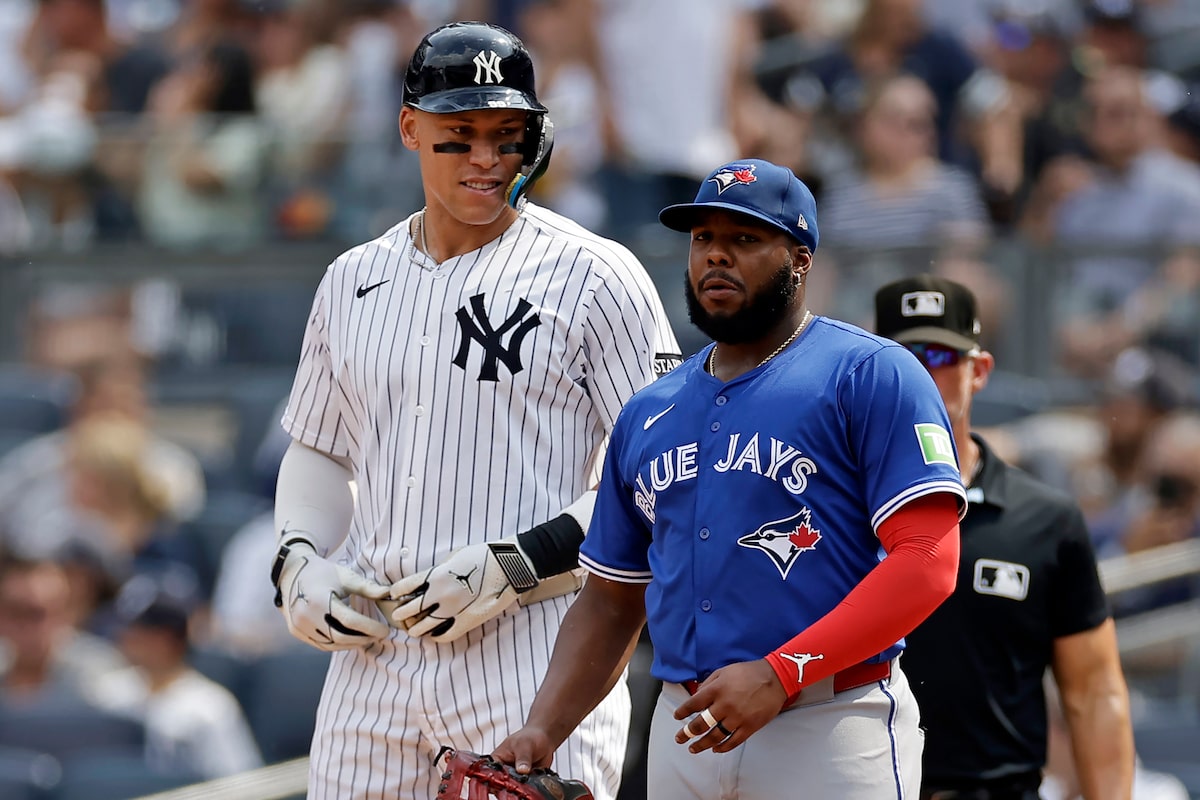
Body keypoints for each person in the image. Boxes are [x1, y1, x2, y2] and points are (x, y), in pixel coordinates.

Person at [268, 21, 681, 800]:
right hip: (376, 652)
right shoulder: (353, 278)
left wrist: (518, 563)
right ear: (409, 129)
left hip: (534, 650)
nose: (487, 158)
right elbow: (321, 447)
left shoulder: (596, 275)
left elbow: (668, 477)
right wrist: (296, 561)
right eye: (460, 136)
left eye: (507, 134)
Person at [494, 157, 968, 799]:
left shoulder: (869, 373)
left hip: (829, 721)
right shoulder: (648, 411)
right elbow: (610, 600)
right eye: (703, 239)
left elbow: (928, 558)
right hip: (684, 726)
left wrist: (783, 672)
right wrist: (544, 728)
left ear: (800, 257)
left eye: (744, 239)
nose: (717, 256)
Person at [871, 274, 1134, 800]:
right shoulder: (829, 511)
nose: (925, 373)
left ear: (980, 371)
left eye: (942, 357)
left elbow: (1094, 690)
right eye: (906, 357)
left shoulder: (1046, 519)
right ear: (874, 374)